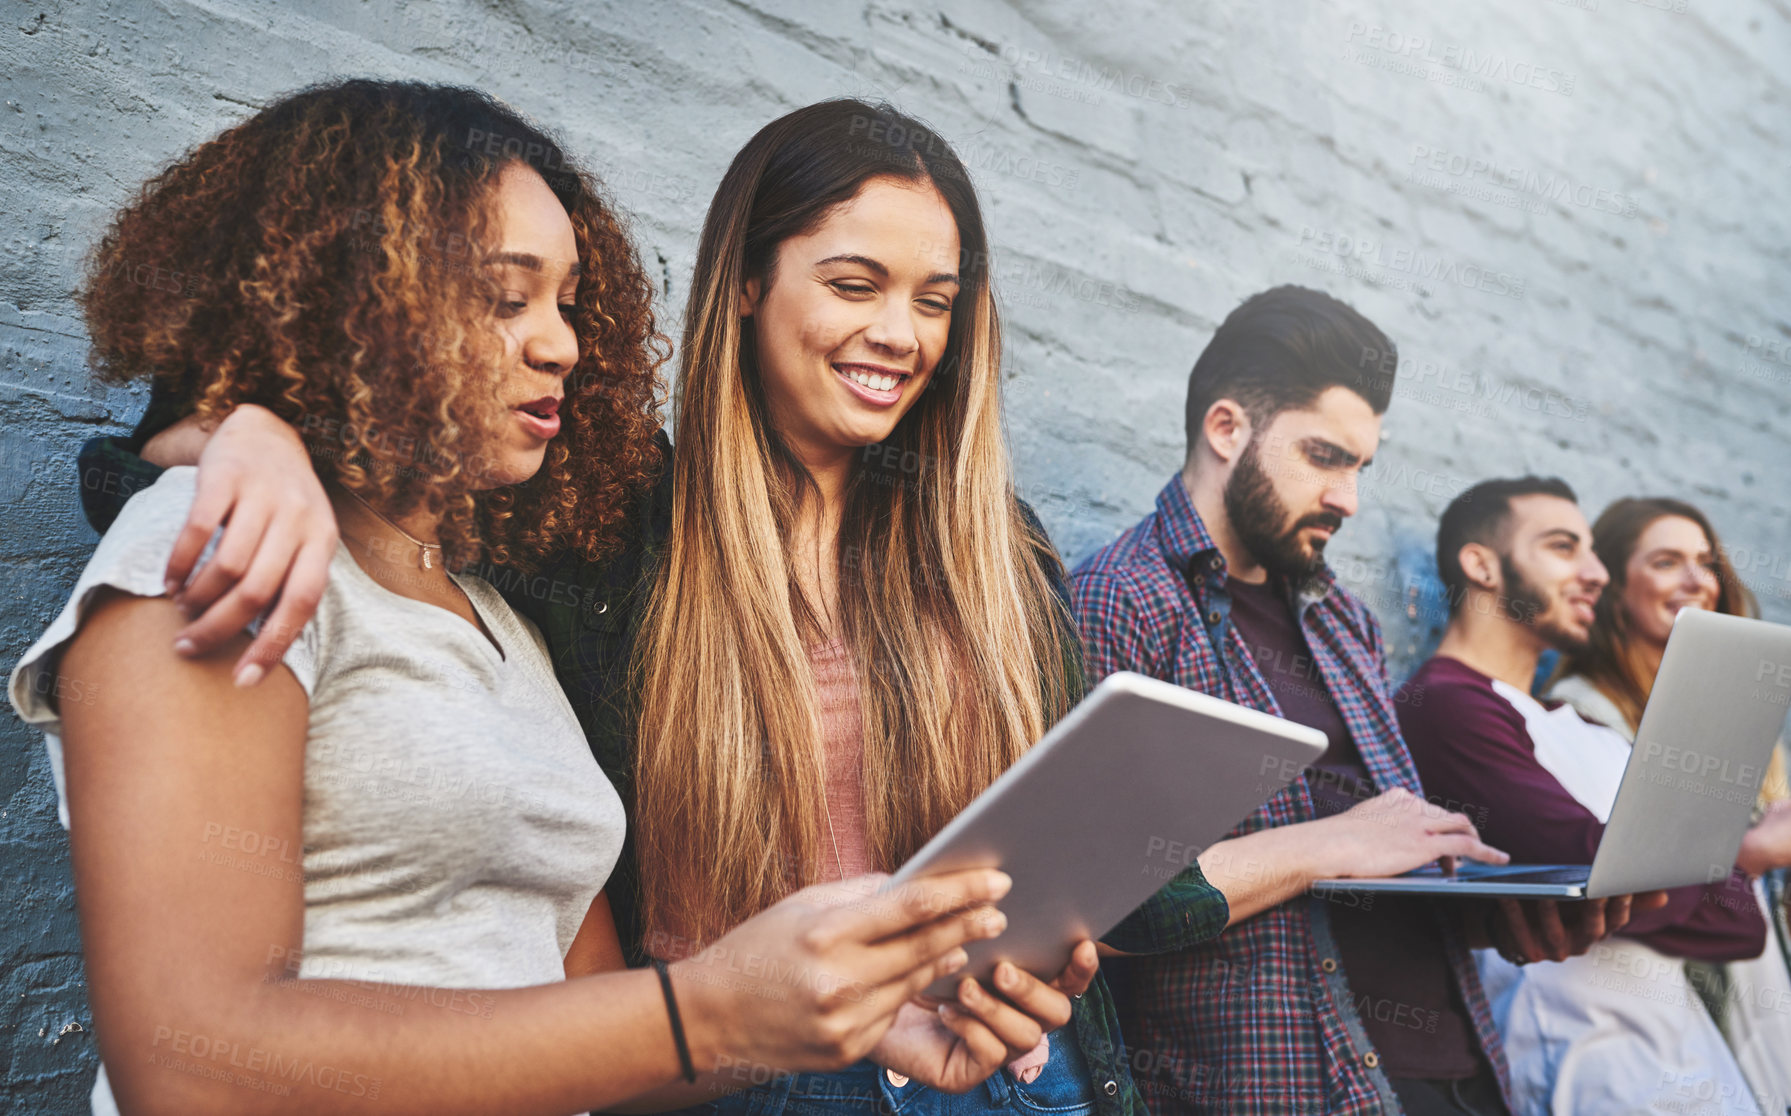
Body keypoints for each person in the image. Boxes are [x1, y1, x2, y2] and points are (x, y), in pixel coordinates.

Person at [73, 99, 1218, 1115]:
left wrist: (1043, 933)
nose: (902, 333)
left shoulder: (987, 542)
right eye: (856, 284)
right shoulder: (610, 526)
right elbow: (228, 523)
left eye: (937, 300)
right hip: (744, 1073)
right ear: (750, 285)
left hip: (971, 1058)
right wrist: (248, 432)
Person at [1070, 286, 1645, 1116]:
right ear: (1226, 429)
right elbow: (1094, 911)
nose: (1348, 499)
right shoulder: (1120, 601)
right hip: (1287, 1090)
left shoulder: (1344, 619)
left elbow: (1376, 871)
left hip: (1461, 1071)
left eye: (1359, 467)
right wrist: (1329, 843)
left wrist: (1498, 916)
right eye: (1324, 458)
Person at [1399, 477, 1791, 1116]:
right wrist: (1733, 858)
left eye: (1593, 553)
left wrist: (1688, 873)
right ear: (1481, 565)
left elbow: (1737, 924)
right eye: (1562, 548)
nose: (1594, 573)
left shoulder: (1582, 727)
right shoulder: (1447, 705)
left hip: (1701, 1073)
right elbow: (1594, 875)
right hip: (1590, 1074)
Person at [1544, 495, 1791, 1113]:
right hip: (1666, 1020)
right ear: (1612, 586)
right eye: (1665, 561)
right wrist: (1751, 854)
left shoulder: (1735, 714)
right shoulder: (1579, 715)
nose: (1695, 580)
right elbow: (1622, 882)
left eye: (1705, 561)